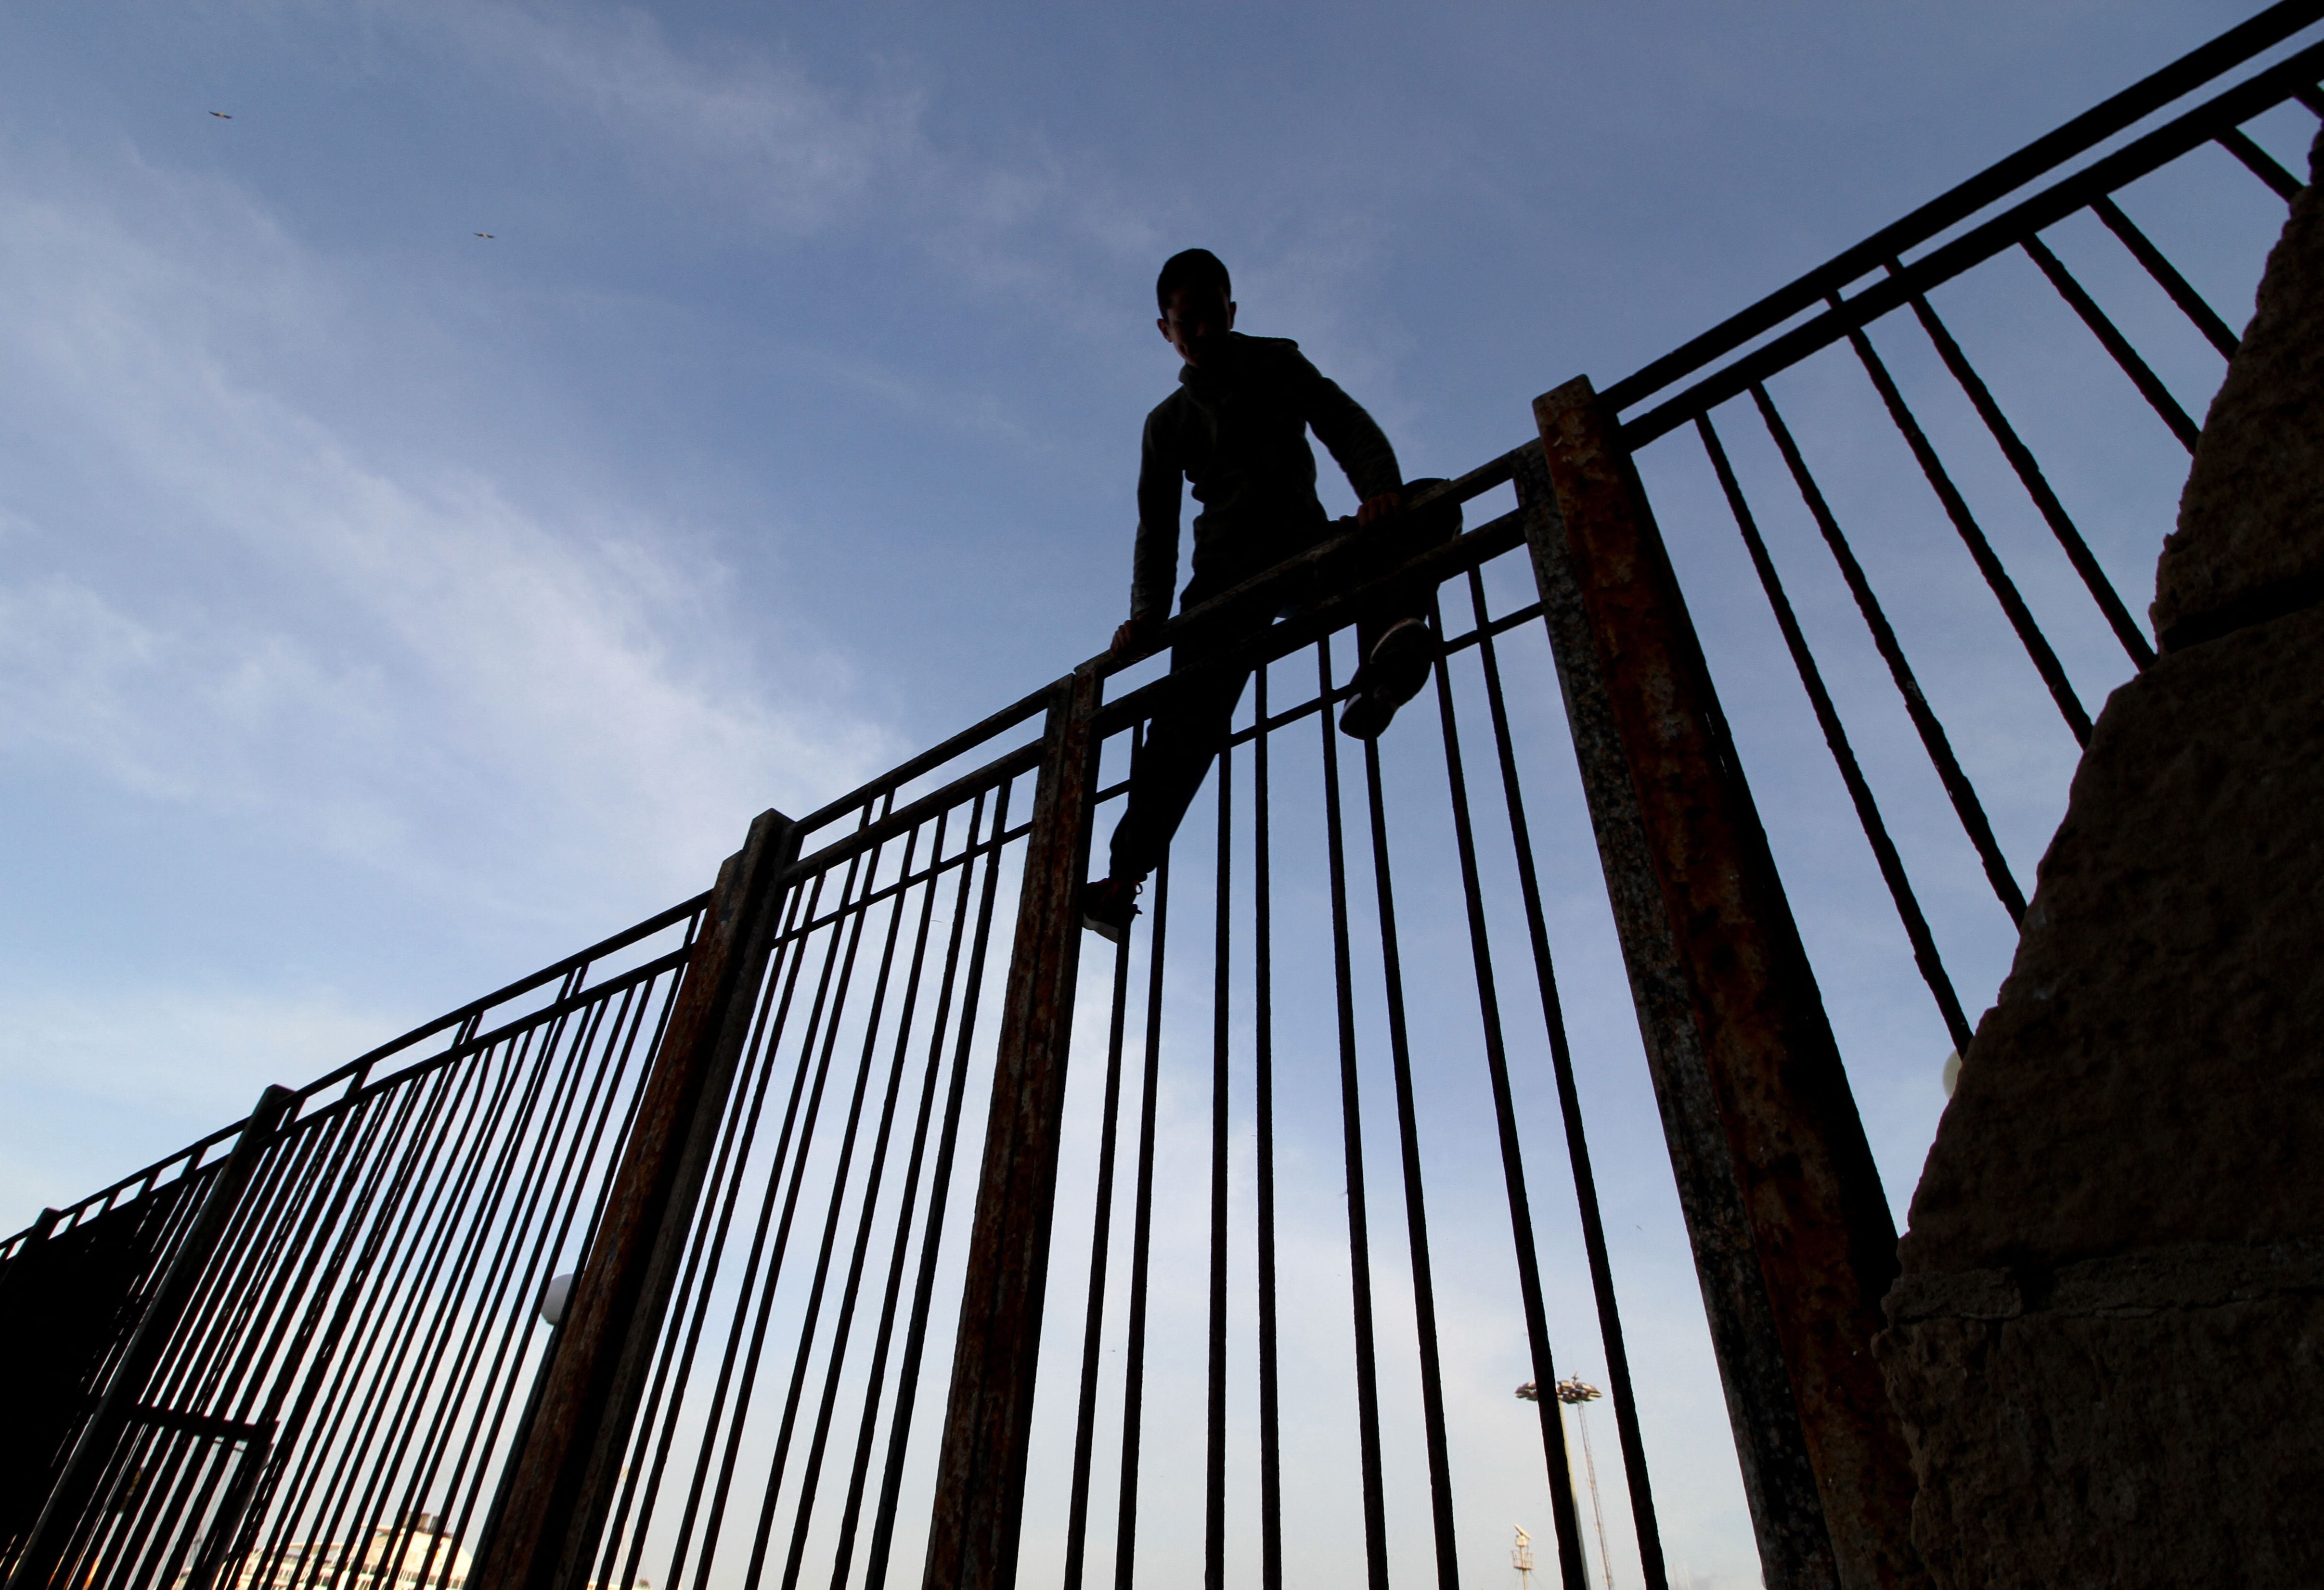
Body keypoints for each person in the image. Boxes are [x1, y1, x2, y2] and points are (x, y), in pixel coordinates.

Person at [1082, 248, 1459, 942]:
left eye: (1210, 315)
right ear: (1165, 330)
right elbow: (1156, 526)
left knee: (1433, 504)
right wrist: (1145, 617)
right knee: (1184, 724)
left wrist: (1379, 491)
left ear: (1232, 311)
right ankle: (1120, 879)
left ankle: (1387, 654)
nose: (1199, 331)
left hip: (1306, 551)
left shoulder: (1279, 364)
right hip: (1223, 583)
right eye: (1183, 322)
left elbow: (1344, 422)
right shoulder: (1167, 424)